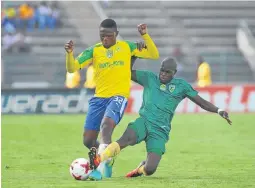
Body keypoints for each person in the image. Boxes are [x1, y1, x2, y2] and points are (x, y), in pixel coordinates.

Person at [88, 57, 232, 179]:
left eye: (167, 72)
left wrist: (219, 110)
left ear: (174, 73)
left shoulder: (181, 86)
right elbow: (127, 72)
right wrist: (133, 57)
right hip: (143, 122)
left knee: (150, 170)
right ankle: (99, 159)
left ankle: (139, 170)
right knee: (125, 139)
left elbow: (201, 102)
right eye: (162, 70)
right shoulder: (150, 78)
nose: (163, 74)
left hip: (160, 131)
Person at [64, 18, 159, 179]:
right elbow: (72, 68)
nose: (105, 39)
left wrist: (145, 36)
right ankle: (108, 157)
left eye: (108, 36)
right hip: (99, 98)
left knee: (106, 125)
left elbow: (154, 54)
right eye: (102, 36)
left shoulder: (127, 47)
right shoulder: (94, 51)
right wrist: (70, 54)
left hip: (118, 96)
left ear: (116, 34)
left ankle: (98, 170)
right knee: (88, 141)